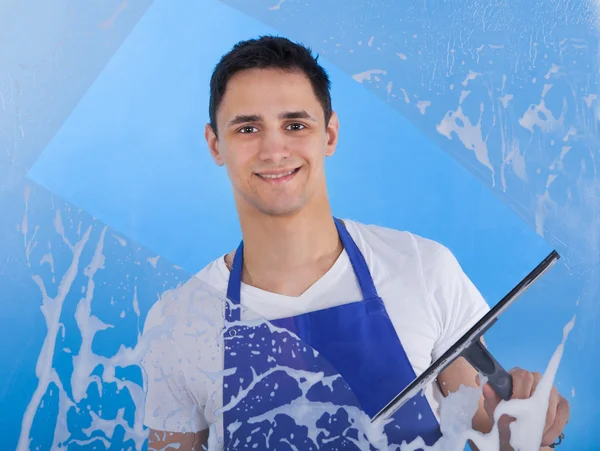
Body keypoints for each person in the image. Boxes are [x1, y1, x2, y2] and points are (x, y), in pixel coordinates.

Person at [140, 35, 570, 450]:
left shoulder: (422, 269)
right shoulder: (180, 321)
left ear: (329, 135)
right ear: (215, 144)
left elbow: (490, 434)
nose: (274, 149)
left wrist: (527, 434)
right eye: (248, 128)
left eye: (295, 124)